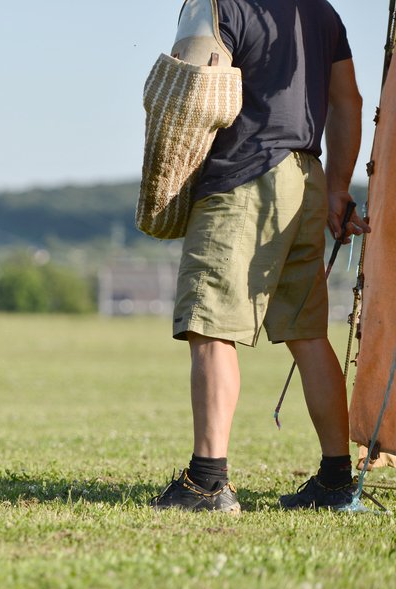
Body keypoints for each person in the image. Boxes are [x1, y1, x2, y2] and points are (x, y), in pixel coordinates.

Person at [150, 0, 369, 512]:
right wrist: (337, 188)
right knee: (307, 331)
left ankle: (207, 482)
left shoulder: (219, 4)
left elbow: (192, 95)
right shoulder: (322, 13)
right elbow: (349, 102)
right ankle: (337, 482)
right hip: (307, 178)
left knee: (210, 327)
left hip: (244, 175)